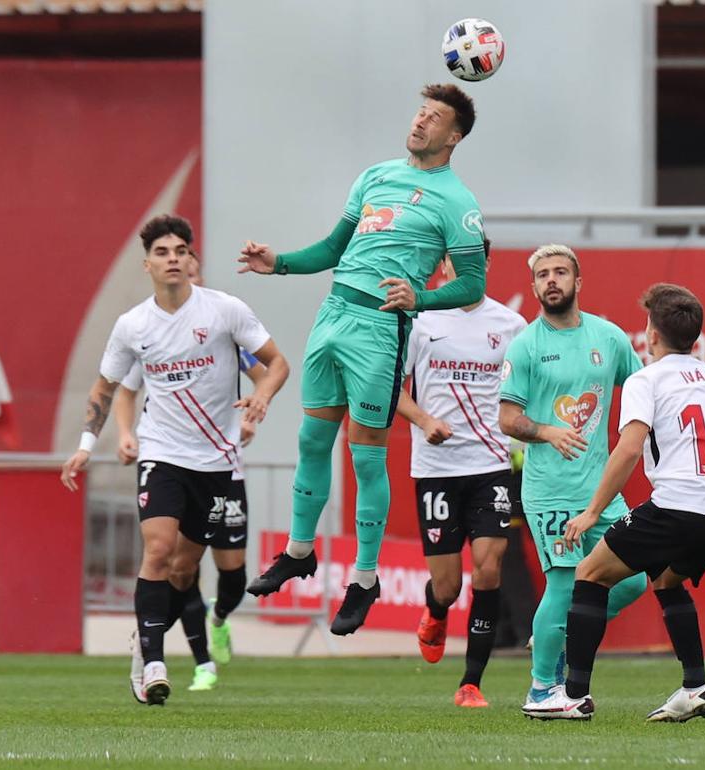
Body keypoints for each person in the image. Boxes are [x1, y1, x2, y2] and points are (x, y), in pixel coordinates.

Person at [236, 84, 488, 635]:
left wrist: (419, 297)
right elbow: (332, 250)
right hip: (334, 313)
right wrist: (277, 262)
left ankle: (365, 579)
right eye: (420, 111)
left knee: (366, 455)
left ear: (454, 137)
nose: (421, 121)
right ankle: (300, 551)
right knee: (310, 439)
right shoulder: (375, 176)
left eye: (435, 117)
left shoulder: (457, 202)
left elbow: (473, 282)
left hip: (380, 327)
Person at [60, 214, 289, 706]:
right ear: (147, 265)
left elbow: (276, 363)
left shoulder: (225, 311)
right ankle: (153, 659)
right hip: (162, 453)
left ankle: (163, 639)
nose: (172, 260)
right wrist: (86, 444)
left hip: (217, 462)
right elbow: (107, 389)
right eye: (162, 253)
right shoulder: (133, 326)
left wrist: (262, 397)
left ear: (190, 260)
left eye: (180, 252)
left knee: (185, 570)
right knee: (158, 551)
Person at [521, 284, 705, 722]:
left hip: (676, 506)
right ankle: (696, 687)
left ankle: (573, 696)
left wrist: (592, 511)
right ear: (694, 337)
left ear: (651, 334)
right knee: (666, 581)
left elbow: (628, 449)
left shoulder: (647, 379)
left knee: (590, 573)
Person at [497, 244, 649, 708]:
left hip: (601, 492)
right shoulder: (526, 345)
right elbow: (507, 418)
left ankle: (559, 637)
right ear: (534, 286)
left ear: (578, 282)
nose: (552, 280)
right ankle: (542, 688)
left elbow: (643, 390)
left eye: (561, 272)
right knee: (564, 583)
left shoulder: (609, 338)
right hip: (549, 491)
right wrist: (546, 432)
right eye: (543, 274)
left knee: (634, 577)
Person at [112, 250, 264, 692]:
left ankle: (217, 617)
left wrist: (252, 415)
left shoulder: (224, 327)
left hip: (223, 465)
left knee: (228, 572)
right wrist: (125, 432)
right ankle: (166, 656)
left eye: (190, 265)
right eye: (171, 260)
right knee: (166, 558)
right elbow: (124, 389)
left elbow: (264, 371)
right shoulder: (147, 333)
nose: (182, 272)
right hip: (169, 457)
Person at [396, 241, 528, 707]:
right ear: (444, 265)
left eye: (475, 257)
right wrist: (426, 421)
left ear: (486, 264)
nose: (465, 264)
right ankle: (435, 611)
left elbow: (525, 391)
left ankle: (471, 683)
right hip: (436, 470)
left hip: (491, 465)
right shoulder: (421, 321)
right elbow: (391, 389)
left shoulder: (511, 325)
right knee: (449, 586)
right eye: (456, 257)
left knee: (489, 569)